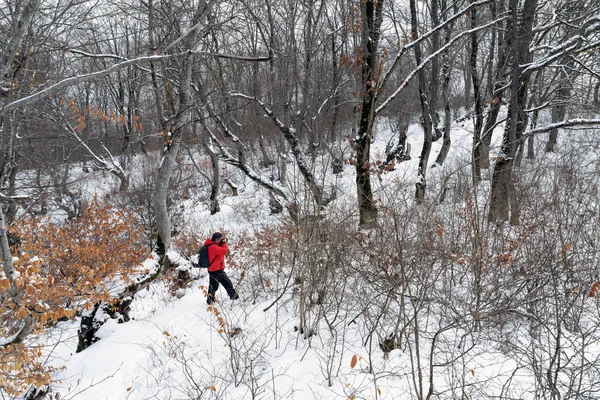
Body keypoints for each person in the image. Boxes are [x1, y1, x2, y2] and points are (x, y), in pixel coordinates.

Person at [205, 232, 239, 305]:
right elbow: (224, 251)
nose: (221, 241)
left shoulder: (214, 245)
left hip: (213, 269)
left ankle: (210, 300)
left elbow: (226, 252)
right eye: (220, 239)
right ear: (216, 239)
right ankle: (234, 297)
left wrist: (222, 243)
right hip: (216, 270)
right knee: (227, 283)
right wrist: (224, 243)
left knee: (213, 286)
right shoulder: (213, 247)